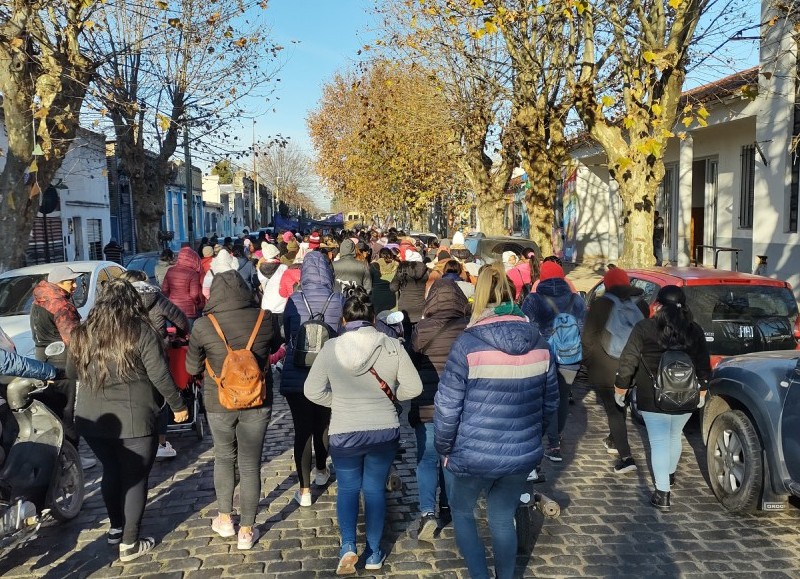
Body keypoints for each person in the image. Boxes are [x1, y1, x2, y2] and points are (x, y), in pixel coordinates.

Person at [434, 264, 558, 579]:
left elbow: (448, 406)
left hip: (472, 455)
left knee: (462, 513)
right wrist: (532, 438)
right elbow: (550, 402)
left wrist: (444, 448)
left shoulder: (468, 344)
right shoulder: (541, 345)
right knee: (502, 519)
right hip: (520, 453)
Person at [69, 280, 189, 562]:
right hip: (134, 416)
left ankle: (116, 528)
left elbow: (72, 373)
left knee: (111, 470)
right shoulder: (140, 330)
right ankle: (130, 543)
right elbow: (160, 375)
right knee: (134, 478)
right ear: (131, 302)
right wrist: (178, 405)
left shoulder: (81, 333)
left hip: (91, 418)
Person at [305, 293, 422, 574]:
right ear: (373, 319)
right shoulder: (392, 345)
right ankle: (373, 552)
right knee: (373, 490)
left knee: (347, 488)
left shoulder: (331, 347)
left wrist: (340, 402)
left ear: (344, 321)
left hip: (345, 430)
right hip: (383, 430)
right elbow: (414, 388)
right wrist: (390, 397)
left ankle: (347, 545)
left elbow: (312, 390)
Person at [186, 270, 279, 550]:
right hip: (257, 399)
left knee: (224, 458)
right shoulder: (265, 319)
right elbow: (273, 349)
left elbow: (191, 368)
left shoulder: (203, 325)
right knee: (251, 465)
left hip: (218, 402)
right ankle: (247, 531)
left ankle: (225, 518)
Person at [614, 285, 710, 511]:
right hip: (686, 394)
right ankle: (668, 474)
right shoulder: (694, 329)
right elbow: (704, 364)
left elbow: (628, 361)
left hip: (651, 395)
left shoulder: (644, 328)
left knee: (658, 442)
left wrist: (621, 389)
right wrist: (703, 391)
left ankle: (662, 493)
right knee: (675, 436)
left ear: (657, 304)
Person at [281, 251, 344, 507]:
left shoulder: (294, 299)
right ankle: (321, 469)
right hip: (329, 372)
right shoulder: (337, 299)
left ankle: (304, 490)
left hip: (298, 372)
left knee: (302, 430)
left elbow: (286, 335)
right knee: (324, 424)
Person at [410, 279, 469, 541]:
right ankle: (447, 507)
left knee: (426, 459)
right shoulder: (468, 330)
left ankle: (426, 512)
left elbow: (410, 365)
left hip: (426, 403)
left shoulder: (421, 329)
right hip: (457, 407)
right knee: (449, 460)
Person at [580, 266, 649, 473]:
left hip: (606, 365)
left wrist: (588, 362)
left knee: (613, 410)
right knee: (622, 402)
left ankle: (626, 457)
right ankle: (613, 439)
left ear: (608, 284)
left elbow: (588, 338)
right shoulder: (642, 305)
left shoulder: (602, 304)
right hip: (634, 364)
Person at [120, 269, 191, 459]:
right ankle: (161, 443)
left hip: (126, 354)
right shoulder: (156, 298)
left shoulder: (119, 300)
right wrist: (182, 335)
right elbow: (180, 319)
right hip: (157, 350)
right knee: (160, 395)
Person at [521, 260, 586, 462]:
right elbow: (584, 325)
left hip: (544, 355)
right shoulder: (576, 299)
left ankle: (553, 444)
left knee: (547, 399)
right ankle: (558, 435)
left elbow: (525, 326)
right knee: (563, 397)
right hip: (571, 356)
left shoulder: (534, 299)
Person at [30, 264, 89, 468]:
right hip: (61, 362)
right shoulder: (60, 305)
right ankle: (72, 460)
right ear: (57, 283)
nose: (74, 285)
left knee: (52, 411)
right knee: (66, 411)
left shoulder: (40, 298)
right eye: (69, 281)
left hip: (42, 359)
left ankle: (59, 457)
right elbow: (73, 338)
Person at [390, 249, 429, 337]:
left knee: (406, 336)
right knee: (419, 336)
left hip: (405, 308)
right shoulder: (427, 271)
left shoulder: (402, 271)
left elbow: (393, 287)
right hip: (421, 307)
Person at [161, 247, 205, 325]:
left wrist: (171, 300)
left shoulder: (170, 270)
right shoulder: (193, 274)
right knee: (190, 335)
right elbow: (194, 294)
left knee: (174, 335)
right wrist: (196, 303)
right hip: (188, 310)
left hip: (173, 309)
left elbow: (164, 290)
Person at [370, 248, 398, 314]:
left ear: (379, 255)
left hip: (376, 298)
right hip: (393, 300)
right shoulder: (397, 266)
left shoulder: (373, 266)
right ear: (390, 255)